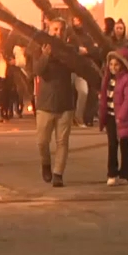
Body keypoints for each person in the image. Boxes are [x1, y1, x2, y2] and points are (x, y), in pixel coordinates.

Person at [33, 18, 76, 188]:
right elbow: (37, 71)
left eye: (61, 30)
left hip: (65, 103)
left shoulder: (69, 50)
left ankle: (58, 174)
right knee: (42, 141)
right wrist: (46, 56)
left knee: (62, 141)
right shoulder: (41, 49)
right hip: (46, 104)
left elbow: (79, 65)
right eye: (55, 29)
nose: (58, 33)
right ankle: (46, 164)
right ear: (49, 30)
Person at [100, 48, 128, 186]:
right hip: (111, 116)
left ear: (123, 64)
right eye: (111, 65)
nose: (113, 68)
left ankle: (125, 173)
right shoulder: (107, 78)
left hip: (123, 118)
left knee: (124, 145)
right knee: (112, 145)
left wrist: (121, 116)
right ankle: (112, 173)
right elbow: (104, 97)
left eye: (116, 65)